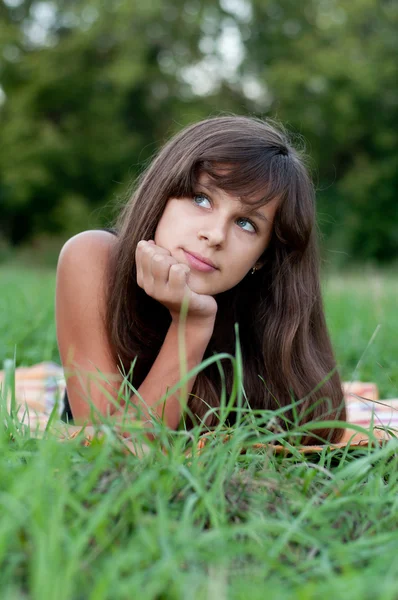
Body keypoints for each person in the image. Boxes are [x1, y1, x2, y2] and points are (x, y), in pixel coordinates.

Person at [55, 115, 346, 445]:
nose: (215, 234)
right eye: (201, 199)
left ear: (262, 257)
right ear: (163, 193)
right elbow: (111, 447)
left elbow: (319, 430)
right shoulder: (93, 257)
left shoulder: (269, 307)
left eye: (246, 224)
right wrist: (190, 325)